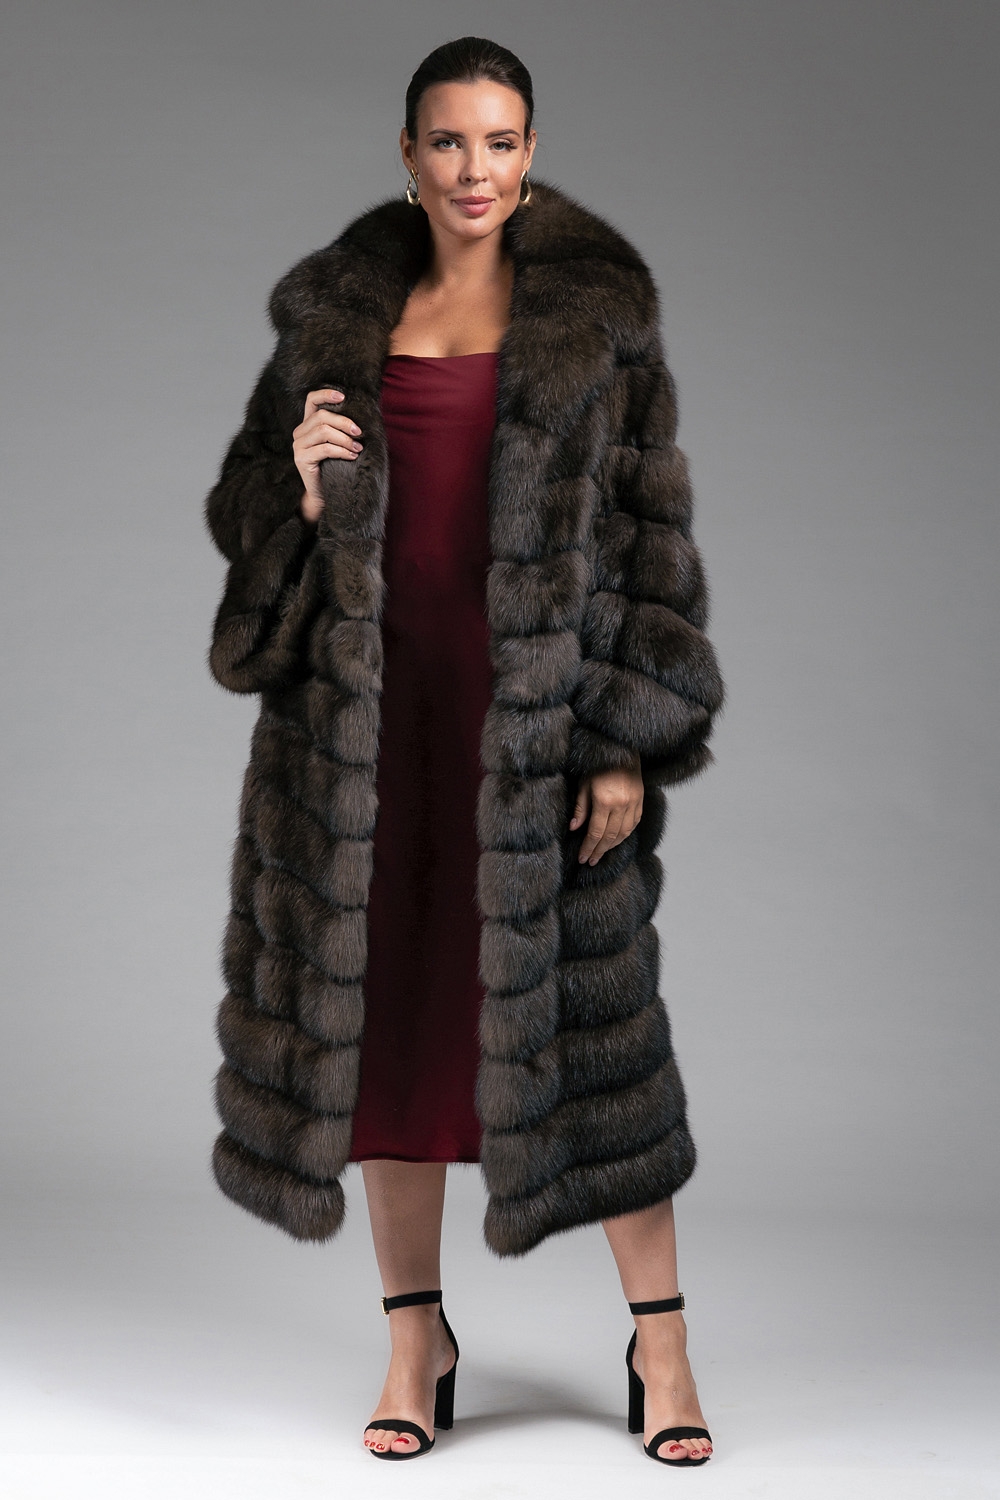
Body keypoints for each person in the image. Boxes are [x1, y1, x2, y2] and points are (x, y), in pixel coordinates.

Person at [204, 35, 724, 1467]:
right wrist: (303, 499)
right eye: (448, 141)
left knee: (599, 1040)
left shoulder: (600, 324)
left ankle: (664, 1346)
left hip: (535, 730)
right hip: (364, 734)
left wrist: (623, 741)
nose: (474, 169)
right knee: (383, 1029)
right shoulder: (333, 326)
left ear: (530, 152)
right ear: (408, 153)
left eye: (499, 141)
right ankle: (414, 1339)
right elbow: (250, 522)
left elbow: (648, 545)